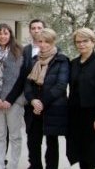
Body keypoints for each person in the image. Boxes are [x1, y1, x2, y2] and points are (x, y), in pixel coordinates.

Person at [67, 28, 95, 169]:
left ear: (93, 42)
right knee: (82, 153)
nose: (81, 44)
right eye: (78, 42)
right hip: (77, 116)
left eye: (85, 41)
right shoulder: (73, 63)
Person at [24, 28, 69, 169]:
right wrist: (32, 100)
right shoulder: (33, 60)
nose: (42, 45)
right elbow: (27, 84)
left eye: (46, 42)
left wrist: (42, 103)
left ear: (53, 42)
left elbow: (61, 86)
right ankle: (35, 166)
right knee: (33, 141)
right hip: (34, 107)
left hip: (52, 107)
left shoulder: (62, 60)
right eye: (40, 41)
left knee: (51, 142)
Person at [0, 23, 26, 169]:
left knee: (15, 136)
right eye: (0, 34)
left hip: (13, 101)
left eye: (5, 33)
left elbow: (22, 78)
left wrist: (9, 99)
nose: (2, 36)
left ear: (10, 35)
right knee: (0, 136)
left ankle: (13, 165)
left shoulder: (19, 52)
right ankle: (1, 165)